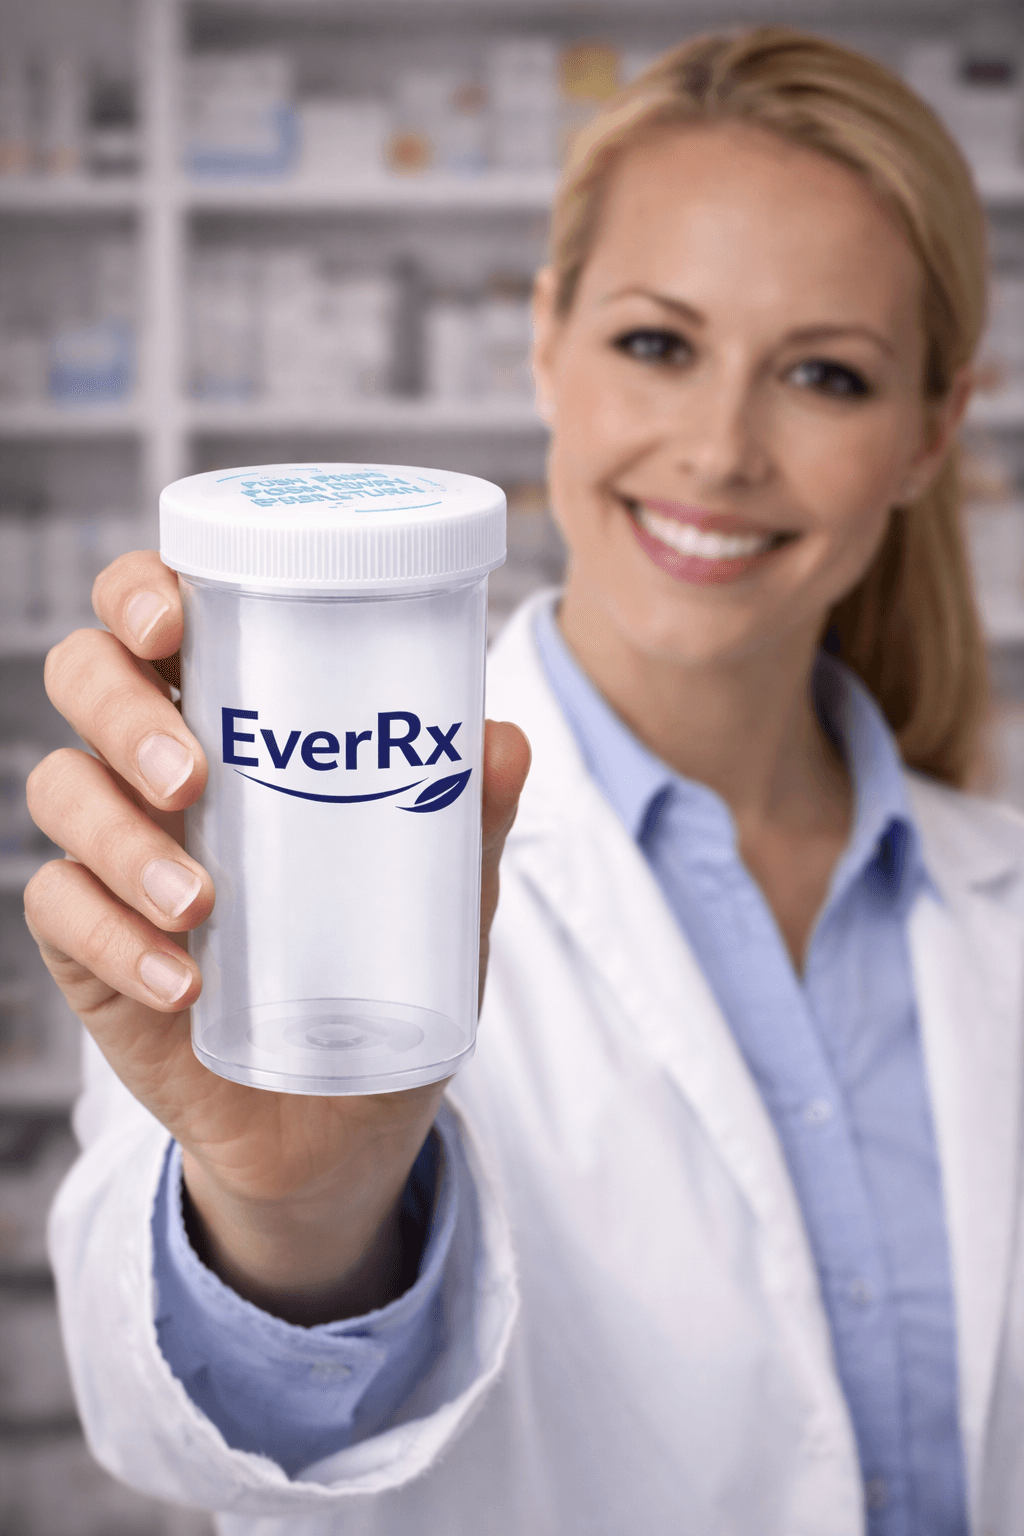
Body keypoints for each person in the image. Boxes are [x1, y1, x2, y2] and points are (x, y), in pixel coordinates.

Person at [23, 24, 1024, 1536]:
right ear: (545, 341)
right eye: (656, 343)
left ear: (928, 432)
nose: (721, 448)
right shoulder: (277, 840)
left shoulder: (994, 898)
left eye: (825, 374)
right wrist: (296, 1209)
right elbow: (168, 1427)